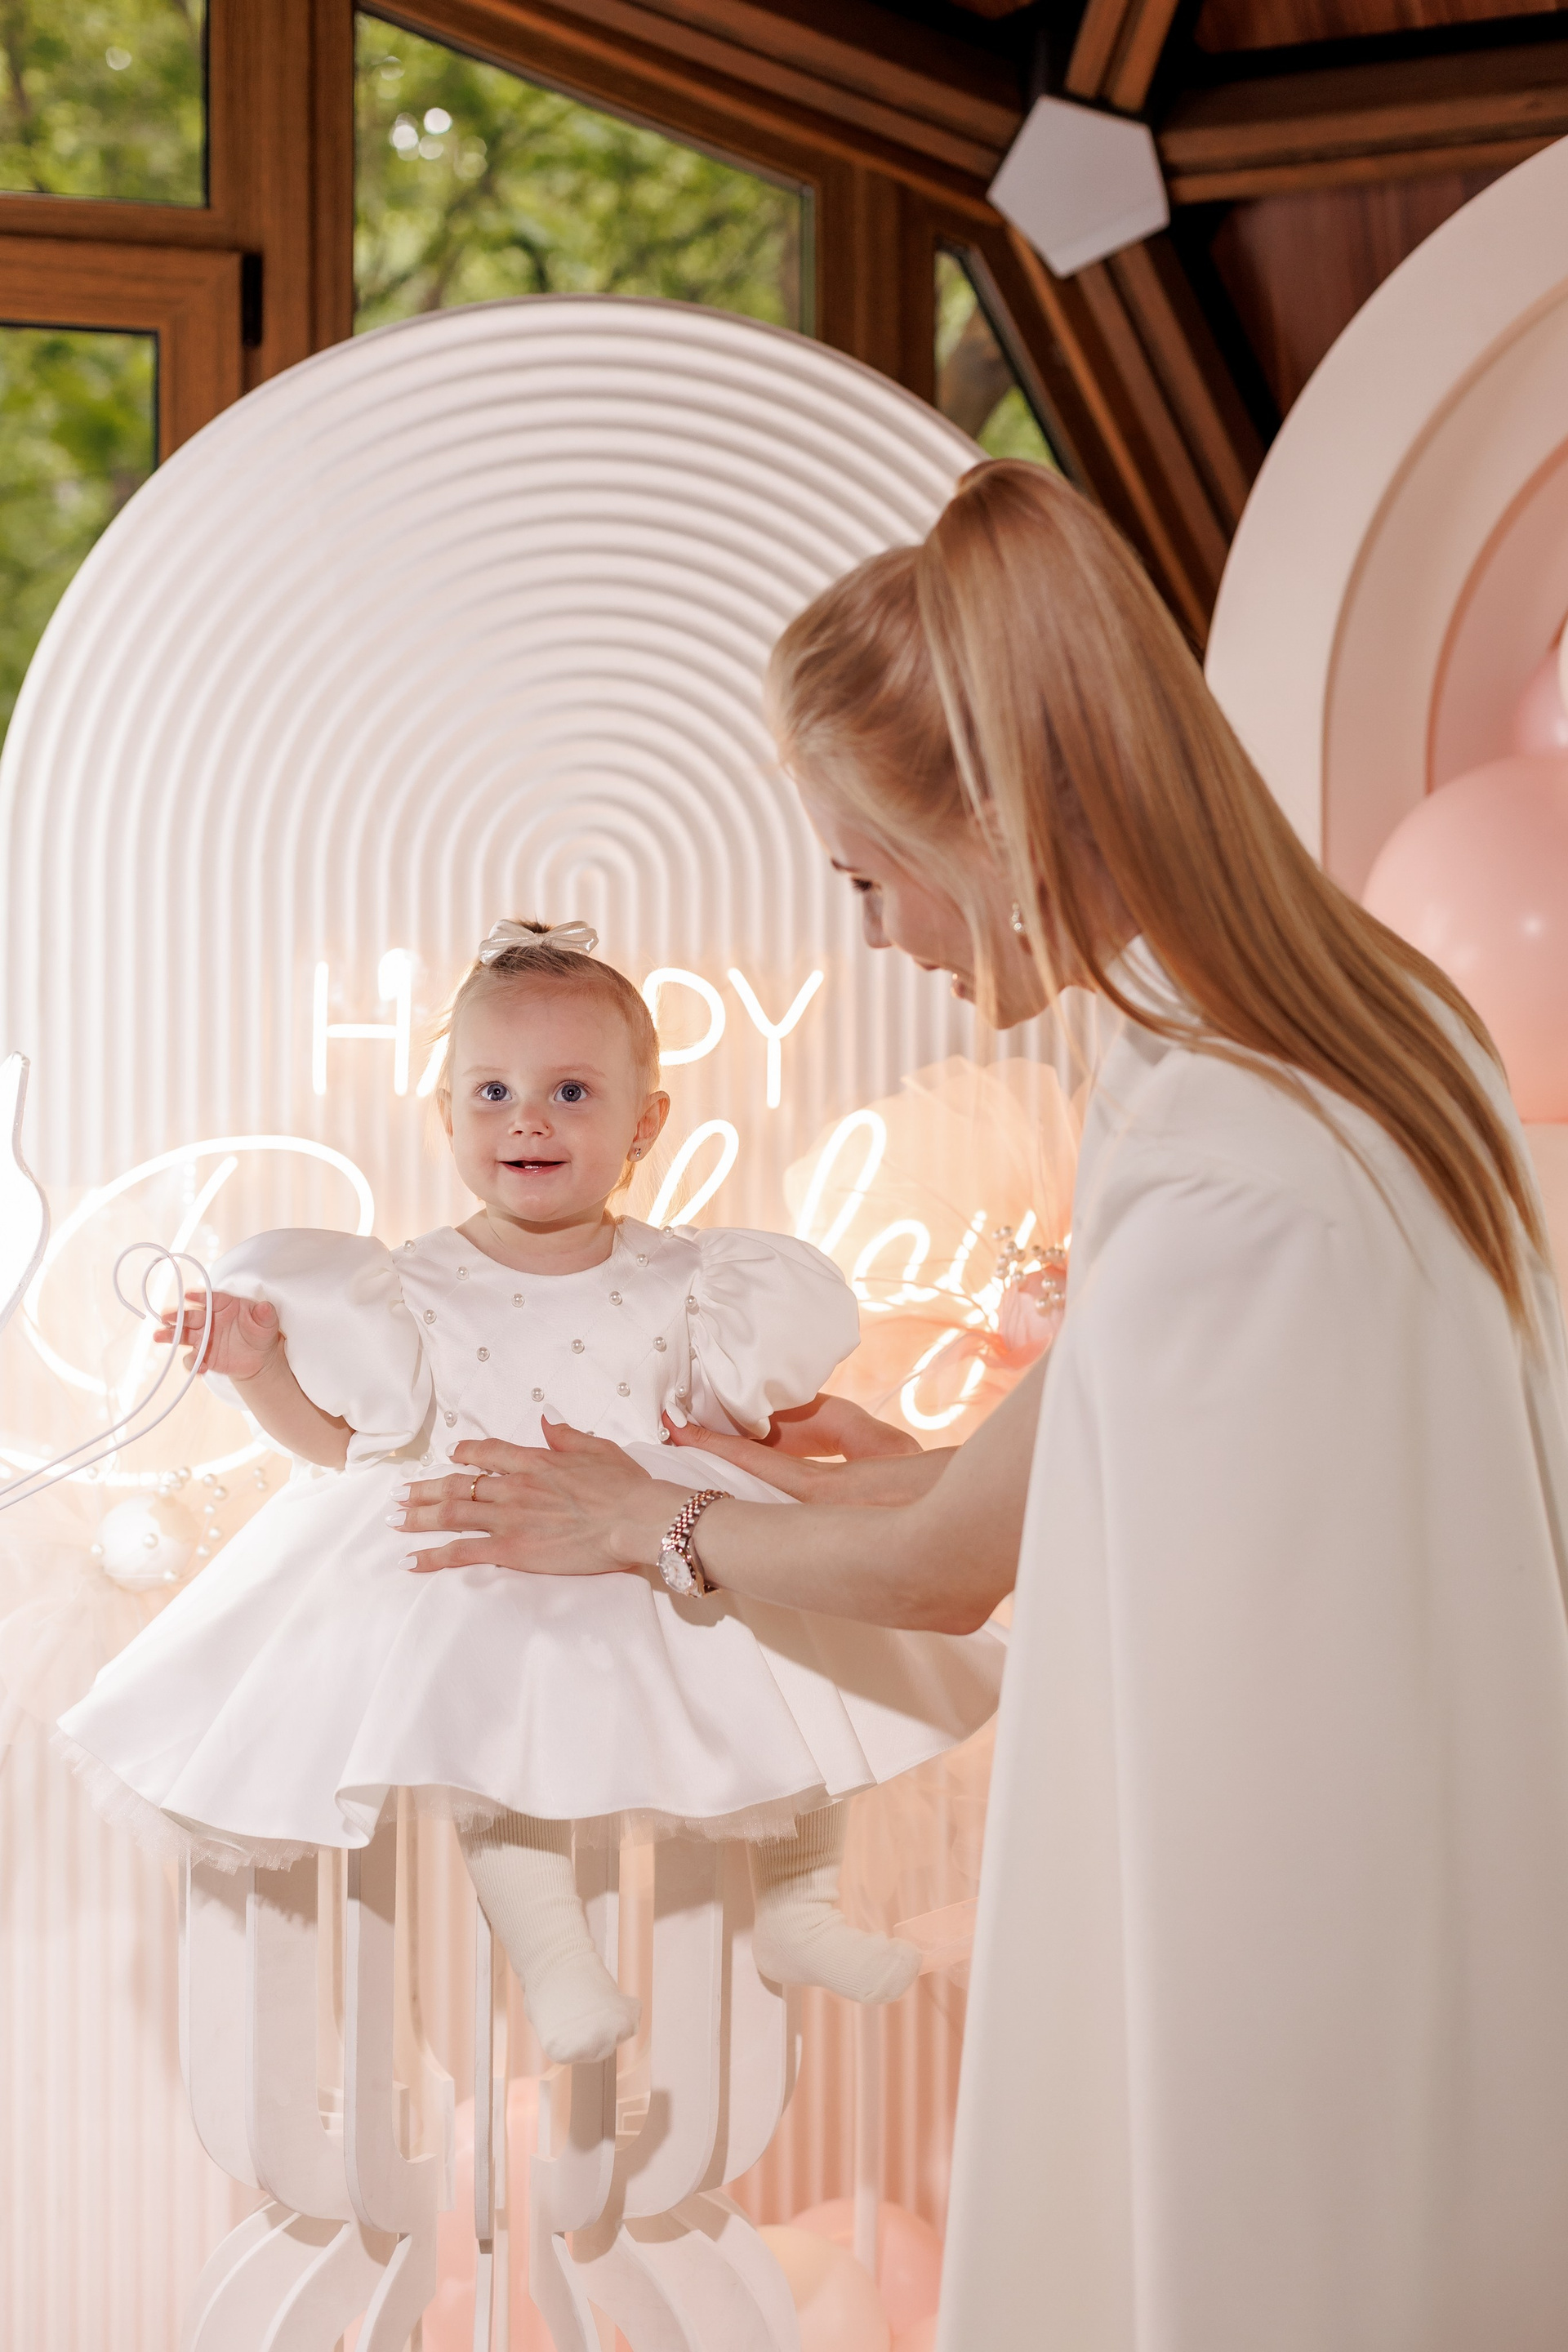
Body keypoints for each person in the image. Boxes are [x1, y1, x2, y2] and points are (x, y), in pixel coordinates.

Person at [393, 463, 1568, 2350]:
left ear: (996, 827)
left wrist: (648, 1522)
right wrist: (893, 1467)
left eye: (867, 878)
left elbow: (952, 1571)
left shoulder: (1217, 1140)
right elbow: (1082, 1475)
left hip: (1291, 1894)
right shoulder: (1346, 1034)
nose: (878, 936)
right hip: (1450, 1865)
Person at [56, 920, 1003, 2067]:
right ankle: (554, 1957)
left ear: (645, 1124)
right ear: (448, 1113)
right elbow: (349, 1448)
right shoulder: (407, 1289)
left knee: (797, 1660)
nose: (529, 1121)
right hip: (497, 1545)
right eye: (494, 1091)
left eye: (571, 1091)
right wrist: (260, 1371)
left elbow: (741, 1419)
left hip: (656, 1537)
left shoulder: (700, 1279)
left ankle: (799, 1908)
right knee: (488, 1721)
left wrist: (843, 1451)